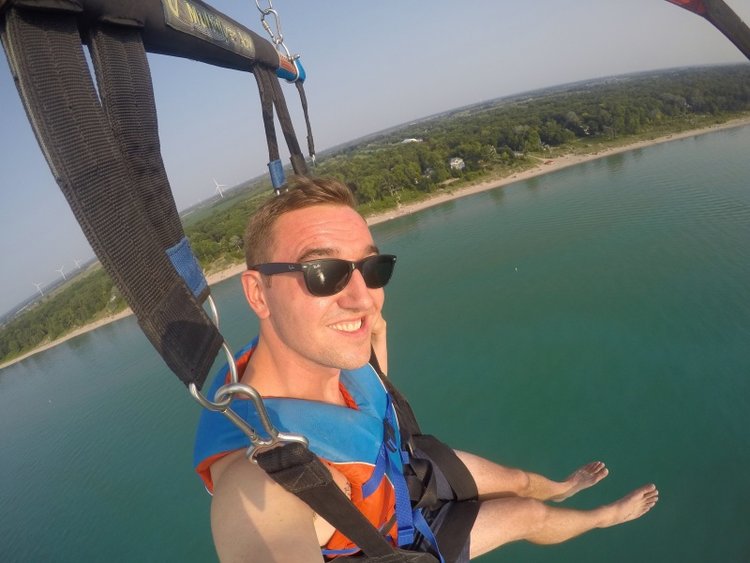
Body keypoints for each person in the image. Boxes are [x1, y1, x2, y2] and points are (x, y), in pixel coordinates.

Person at [193, 176, 658, 562]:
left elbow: (373, 378)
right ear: (257, 294)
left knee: (522, 483)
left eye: (371, 269)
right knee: (525, 515)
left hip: (402, 461)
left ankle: (561, 488)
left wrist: (367, 331)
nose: (364, 297)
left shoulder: (331, 343)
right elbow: (263, 529)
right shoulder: (264, 479)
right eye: (323, 274)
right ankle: (603, 517)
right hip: (394, 534)